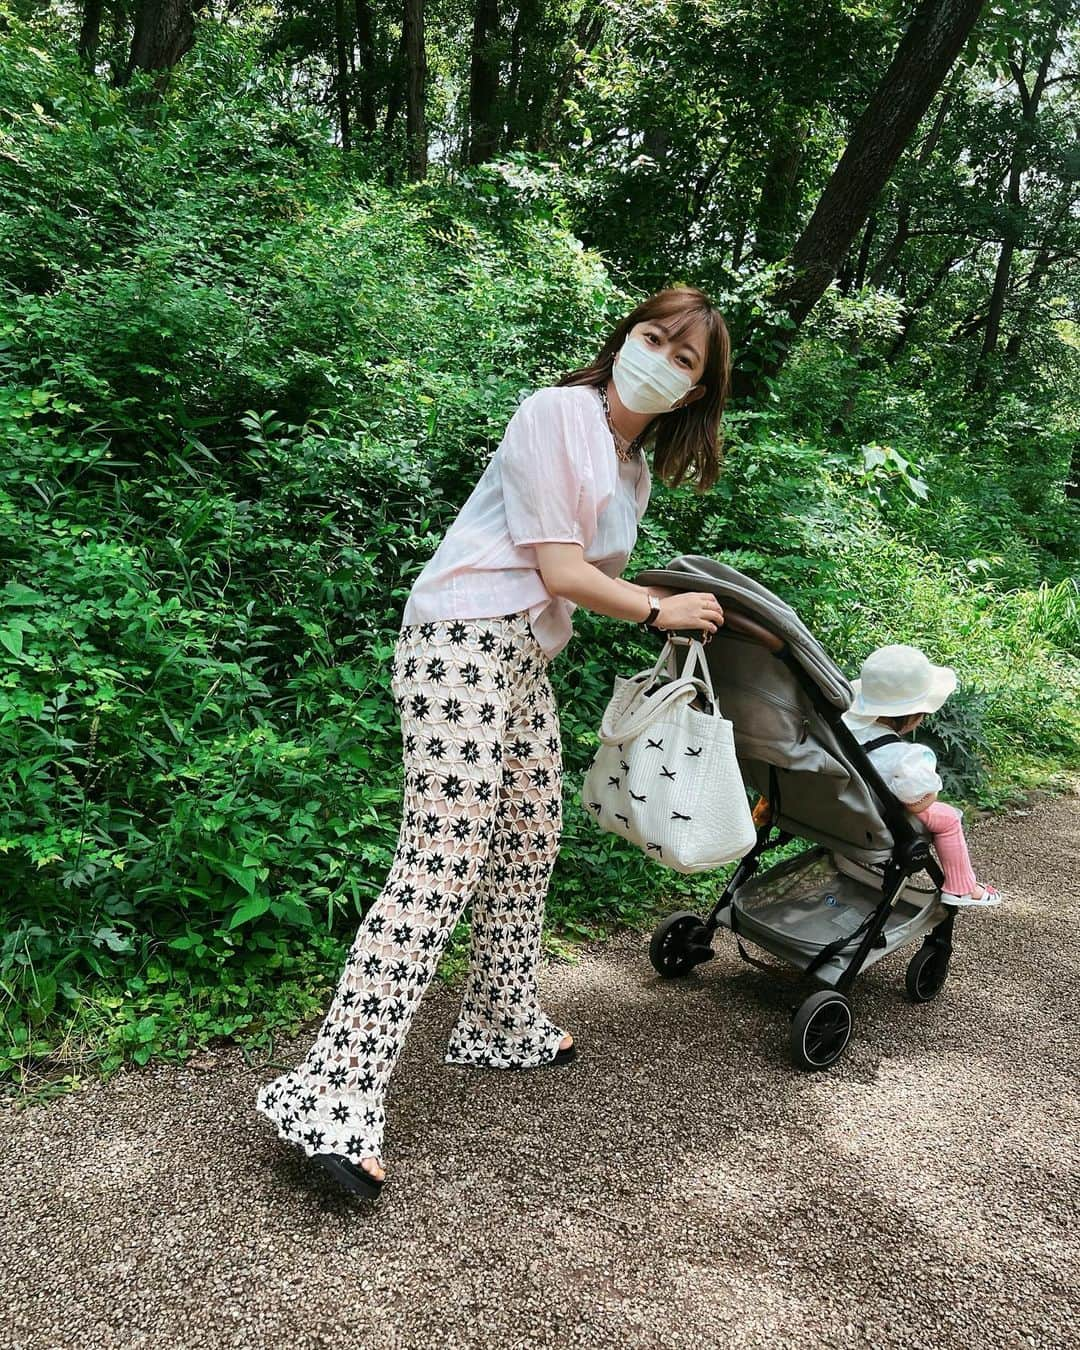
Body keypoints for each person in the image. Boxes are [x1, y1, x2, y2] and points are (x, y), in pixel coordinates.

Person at [255, 285, 733, 1200]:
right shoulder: (556, 411)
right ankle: (332, 1097)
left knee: (527, 840)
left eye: (684, 360)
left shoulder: (630, 472)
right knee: (440, 862)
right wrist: (655, 609)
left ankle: (500, 1020)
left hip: (522, 660)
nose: (660, 360)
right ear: (623, 337)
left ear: (695, 393)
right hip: (461, 640)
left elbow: (585, 583)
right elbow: (558, 569)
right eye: (652, 338)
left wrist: (659, 605)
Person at [841, 644, 1002, 910]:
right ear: (915, 716)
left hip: (850, 802)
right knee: (949, 818)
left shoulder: (846, 731)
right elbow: (917, 802)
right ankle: (961, 888)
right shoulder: (905, 756)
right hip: (881, 813)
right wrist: (933, 789)